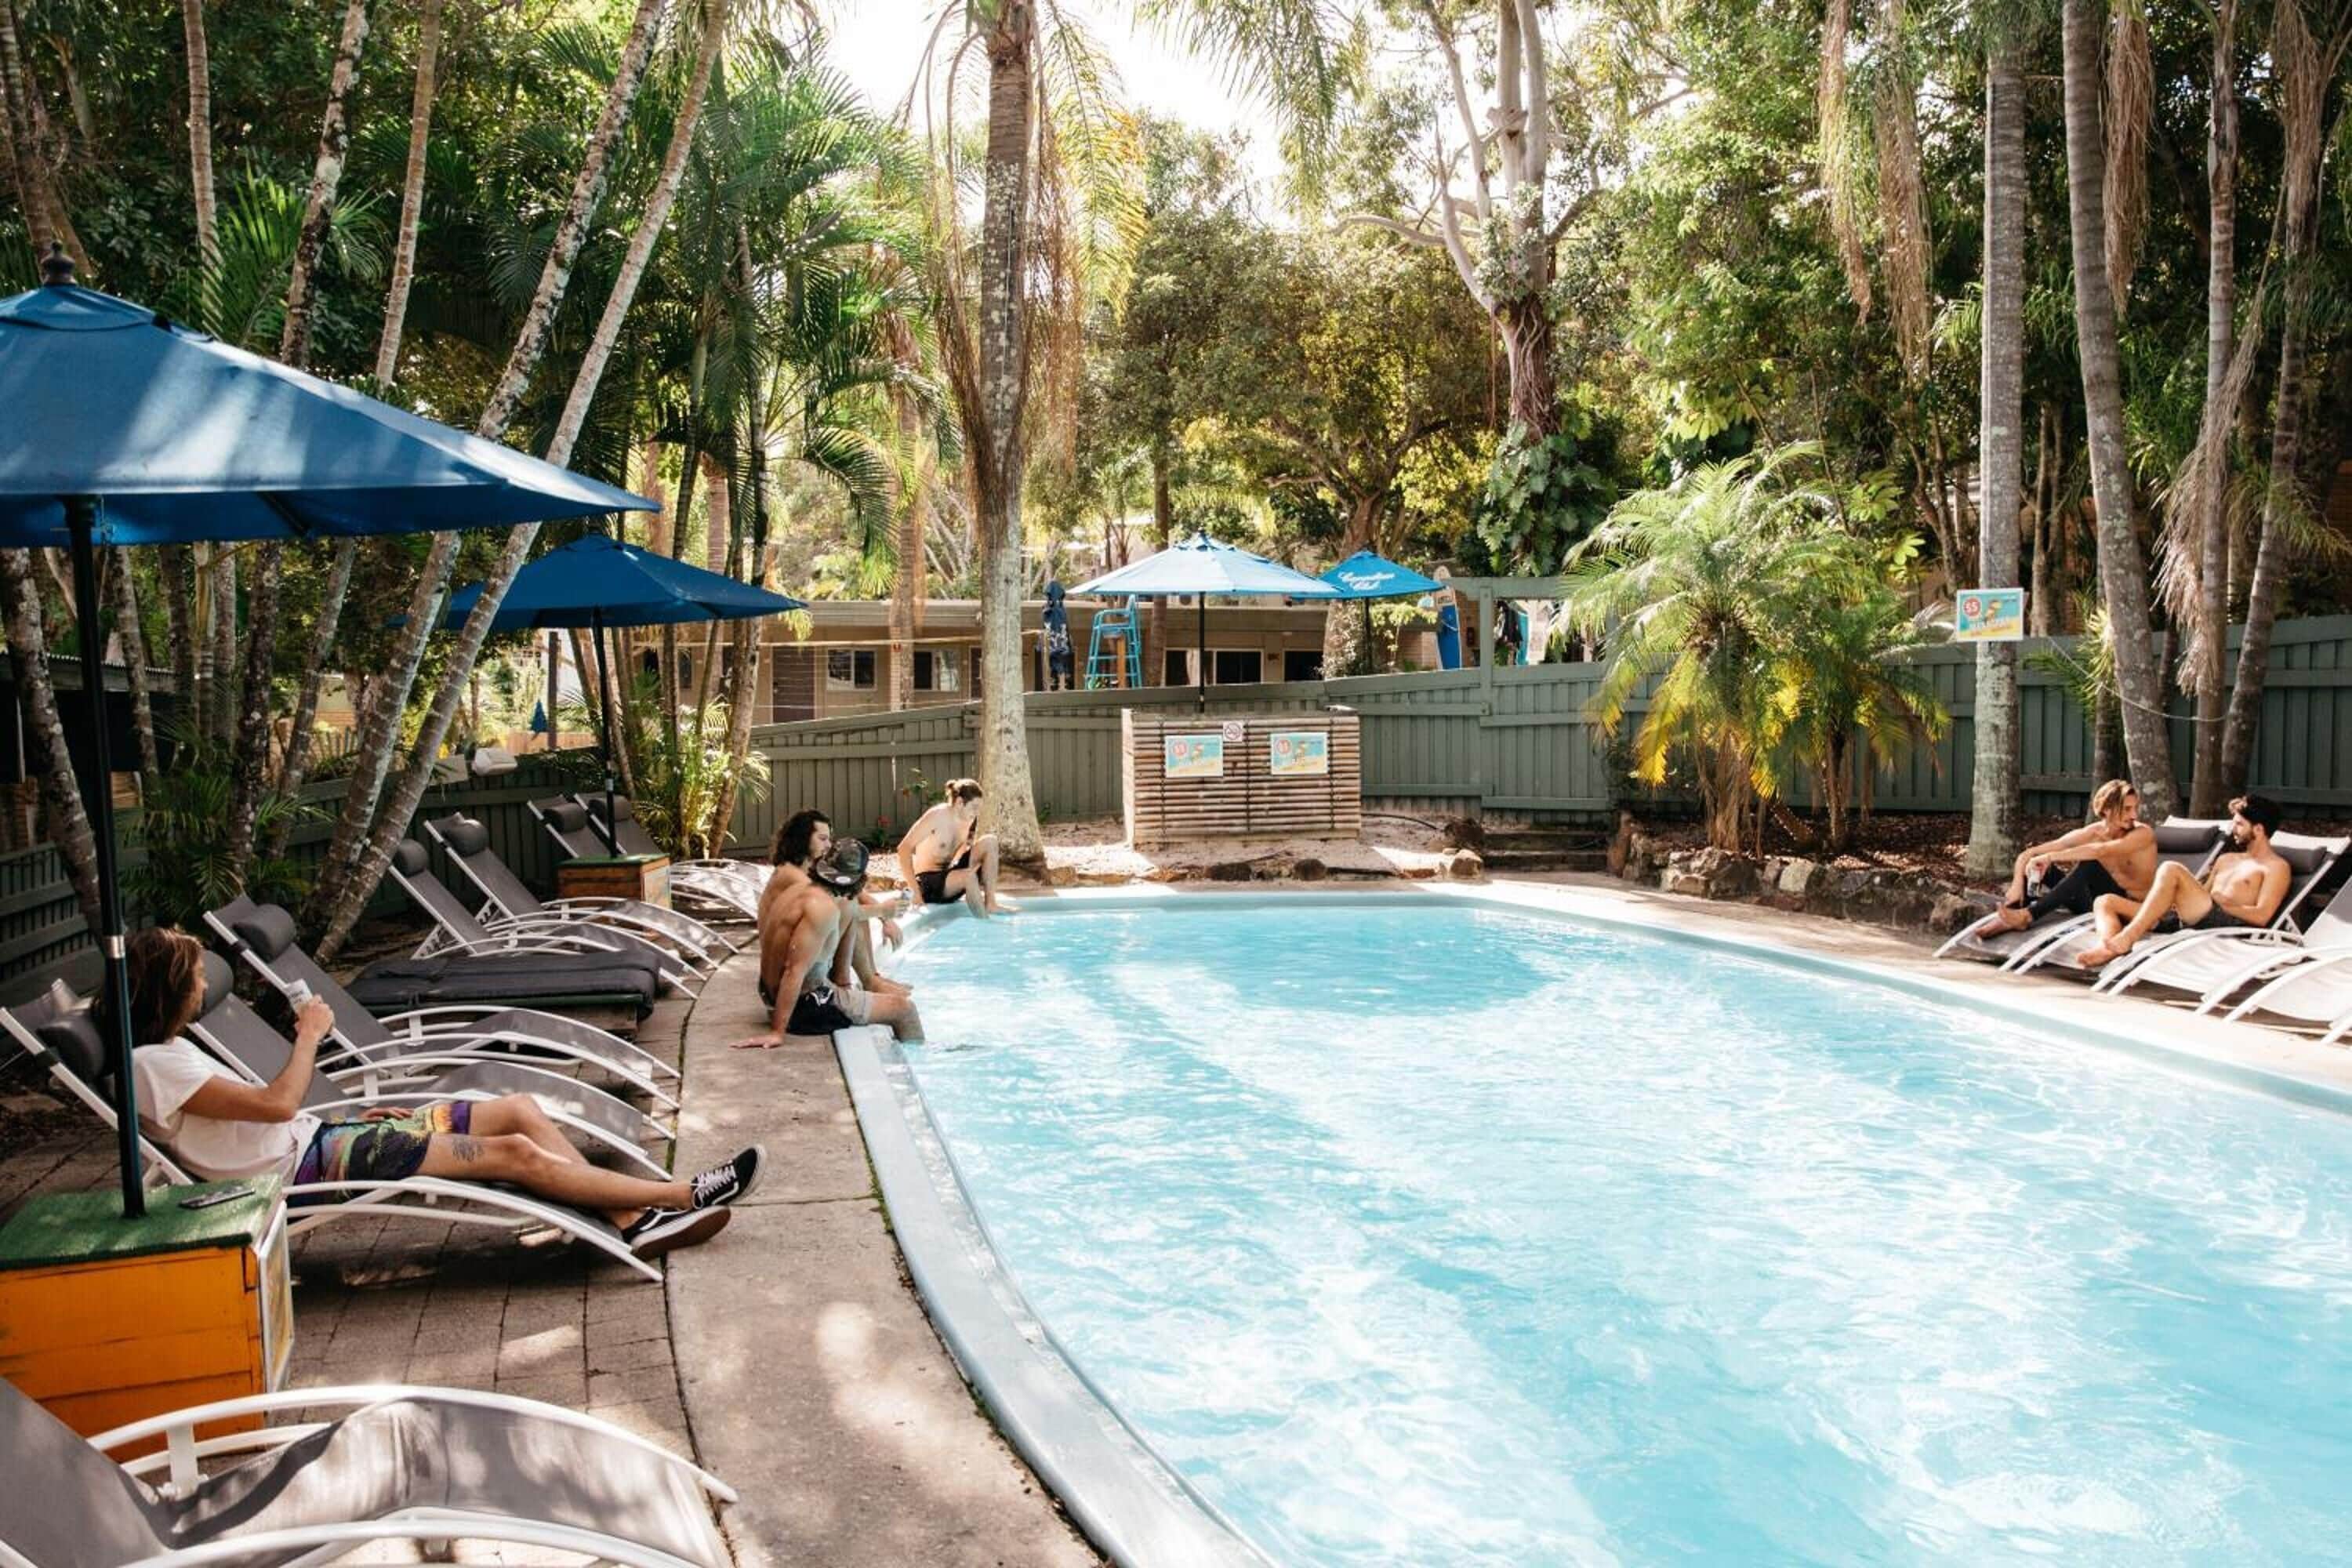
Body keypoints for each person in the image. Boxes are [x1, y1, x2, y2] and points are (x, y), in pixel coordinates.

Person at [118, 927, 762, 1261]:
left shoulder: (167, 1052)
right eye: (196, 977)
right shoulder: (153, 1063)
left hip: (326, 1141)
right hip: (311, 1167)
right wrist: (310, 1036)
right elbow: (278, 1105)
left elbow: (262, 1119)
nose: (205, 987)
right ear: (167, 987)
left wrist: (350, 1116)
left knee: (518, 1109)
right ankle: (679, 1196)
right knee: (513, 1151)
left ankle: (633, 1221)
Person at [742, 811, 924, 1047]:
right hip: (807, 1006)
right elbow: (793, 971)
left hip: (779, 992)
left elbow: (850, 906)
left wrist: (881, 914)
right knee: (905, 1010)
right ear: (857, 880)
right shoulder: (822, 908)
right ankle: (924, 1052)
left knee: (848, 909)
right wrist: (778, 1032)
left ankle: (848, 983)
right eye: (822, 838)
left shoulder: (803, 888)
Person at [2078, 794, 2292, 968]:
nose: (2232, 829)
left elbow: (2263, 916)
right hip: (2191, 916)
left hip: (2226, 922)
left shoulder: (2276, 867)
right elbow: (2201, 894)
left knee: (2172, 868)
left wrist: (2224, 904)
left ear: (2259, 829)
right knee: (2105, 901)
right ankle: (2105, 948)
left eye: (2238, 824)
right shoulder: (2227, 859)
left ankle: (2127, 938)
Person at [1984, 779, 2158, 932]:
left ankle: (2028, 915)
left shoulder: (2143, 834)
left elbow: (2100, 851)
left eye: (2135, 808)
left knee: (2089, 866)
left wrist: (2049, 857)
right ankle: (2016, 913)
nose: (2134, 815)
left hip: (2128, 910)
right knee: (2039, 866)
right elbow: (2030, 853)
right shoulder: (2092, 832)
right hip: (2093, 904)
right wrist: (2017, 883)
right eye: (2127, 809)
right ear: (2107, 809)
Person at [896, 778, 1015, 916]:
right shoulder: (937, 816)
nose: (977, 813)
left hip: (947, 878)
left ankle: (991, 904)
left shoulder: (967, 818)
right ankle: (985, 924)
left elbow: (960, 847)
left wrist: (960, 879)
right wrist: (915, 891)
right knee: (969, 877)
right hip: (927, 882)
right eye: (974, 807)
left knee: (990, 841)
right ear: (959, 802)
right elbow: (903, 849)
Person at [1043, 580, 1075, 691]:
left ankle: (1057, 686)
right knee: (1056, 662)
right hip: (1059, 641)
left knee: (1053, 662)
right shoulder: (1059, 609)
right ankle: (1058, 686)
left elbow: (1063, 625)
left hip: (1055, 641)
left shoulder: (1049, 608)